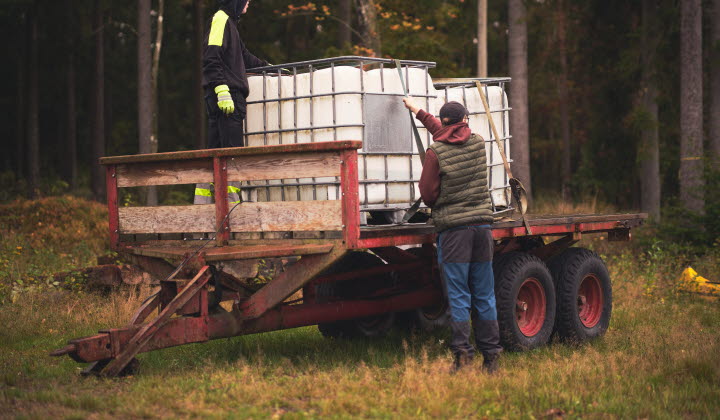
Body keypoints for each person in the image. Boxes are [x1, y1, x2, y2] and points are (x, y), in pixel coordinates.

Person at [403, 97, 503, 373]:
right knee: (484, 294)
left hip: (454, 233)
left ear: (444, 122)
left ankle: (462, 357)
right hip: (482, 229)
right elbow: (447, 133)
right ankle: (492, 359)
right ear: (465, 121)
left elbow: (427, 193)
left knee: (459, 296)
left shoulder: (436, 152)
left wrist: (437, 203)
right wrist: (418, 111)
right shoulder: (479, 143)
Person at [195, 0, 268, 205]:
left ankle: (206, 211)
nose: (248, 3)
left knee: (215, 154)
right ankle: (230, 211)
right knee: (232, 155)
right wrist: (221, 89)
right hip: (226, 96)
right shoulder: (220, 19)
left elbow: (244, 57)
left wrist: (270, 67)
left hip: (224, 96)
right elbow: (211, 56)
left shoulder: (229, 25)